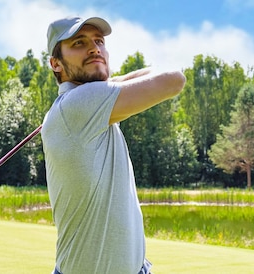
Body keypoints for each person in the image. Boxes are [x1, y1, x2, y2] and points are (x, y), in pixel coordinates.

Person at [40, 16, 186, 274]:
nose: (94, 48)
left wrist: (107, 80)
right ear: (56, 64)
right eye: (79, 43)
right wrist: (107, 82)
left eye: (99, 42)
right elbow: (174, 79)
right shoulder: (82, 103)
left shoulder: (87, 102)